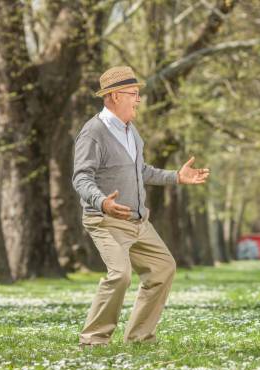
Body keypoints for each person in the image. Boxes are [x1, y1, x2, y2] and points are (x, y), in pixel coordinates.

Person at [73, 66, 210, 346]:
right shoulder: (93, 133)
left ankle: (139, 338)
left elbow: (141, 171)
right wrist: (102, 203)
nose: (138, 100)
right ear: (112, 96)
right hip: (105, 220)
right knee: (120, 275)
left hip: (138, 222)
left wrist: (177, 177)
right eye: (133, 94)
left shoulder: (131, 131)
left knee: (163, 268)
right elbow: (81, 177)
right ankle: (94, 339)